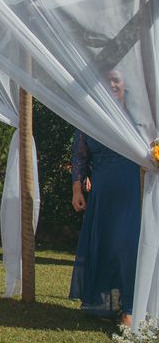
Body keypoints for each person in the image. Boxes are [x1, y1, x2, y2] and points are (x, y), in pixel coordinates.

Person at [69, 69, 141, 327]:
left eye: (116, 79)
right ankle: (108, 305)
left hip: (134, 191)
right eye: (107, 79)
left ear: (125, 84)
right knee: (106, 248)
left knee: (126, 248)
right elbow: (79, 155)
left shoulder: (139, 116)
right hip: (102, 195)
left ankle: (130, 308)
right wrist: (77, 189)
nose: (111, 84)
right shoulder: (92, 116)